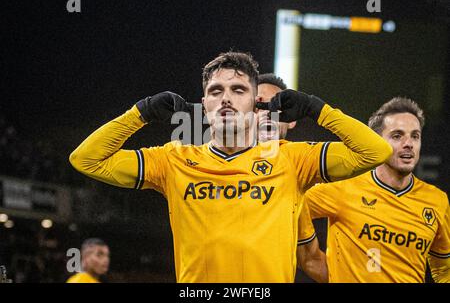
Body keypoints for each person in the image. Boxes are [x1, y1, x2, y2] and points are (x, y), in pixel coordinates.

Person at [69, 51, 392, 282]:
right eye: (215, 91)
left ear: (256, 104)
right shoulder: (173, 161)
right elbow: (86, 159)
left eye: (238, 90)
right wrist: (142, 112)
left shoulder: (292, 159)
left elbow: (374, 151)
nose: (226, 98)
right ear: (204, 104)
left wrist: (315, 108)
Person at [305, 97, 449, 283]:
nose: (409, 144)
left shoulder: (437, 200)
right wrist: (310, 258)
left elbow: (444, 271)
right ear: (376, 143)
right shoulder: (343, 188)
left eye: (415, 136)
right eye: (397, 136)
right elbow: (288, 209)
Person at [257, 73, 327, 283]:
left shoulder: (293, 181)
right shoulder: (207, 165)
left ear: (292, 119)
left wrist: (314, 107)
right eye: (259, 105)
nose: (267, 113)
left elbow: (311, 261)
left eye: (276, 107)